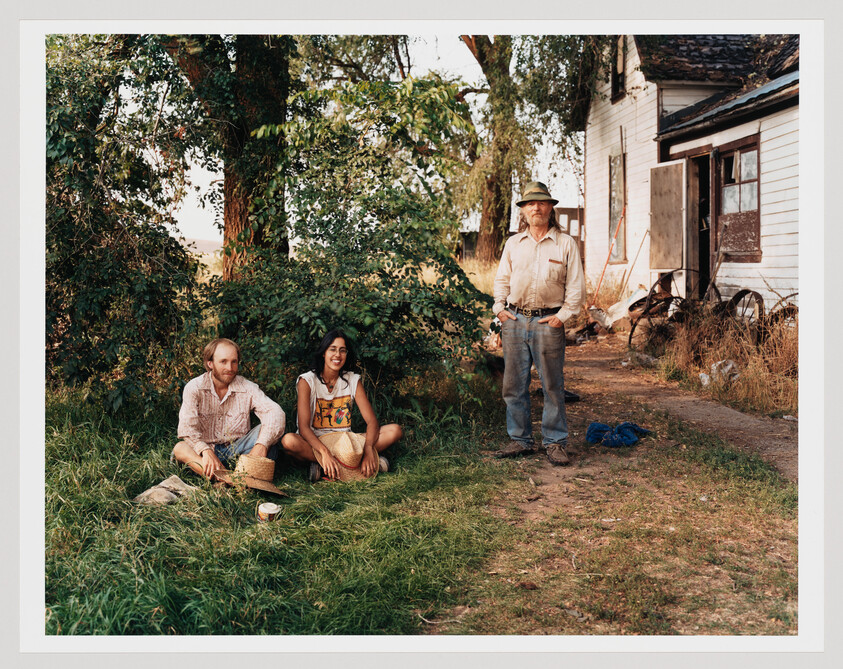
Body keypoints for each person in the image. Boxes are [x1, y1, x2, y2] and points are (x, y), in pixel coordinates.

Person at [492, 181, 586, 466]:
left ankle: (555, 442)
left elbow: (577, 288)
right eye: (530, 203)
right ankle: (520, 440)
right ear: (523, 210)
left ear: (550, 207)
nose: (536, 207)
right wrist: (499, 308)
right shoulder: (513, 243)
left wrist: (563, 316)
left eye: (542, 202)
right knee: (513, 384)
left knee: (552, 385)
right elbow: (502, 280)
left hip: (549, 321)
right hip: (515, 319)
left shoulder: (566, 243)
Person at [281, 329, 403, 482]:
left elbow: (372, 421)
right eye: (332, 349)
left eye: (342, 350)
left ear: (346, 355)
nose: (337, 355)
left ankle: (322, 467)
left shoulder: (352, 380)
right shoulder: (307, 381)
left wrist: (368, 449)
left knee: (394, 431)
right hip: (315, 443)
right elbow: (304, 428)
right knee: (289, 441)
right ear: (324, 353)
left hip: (346, 443)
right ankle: (359, 465)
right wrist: (324, 452)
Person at [172, 338, 286, 480]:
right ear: (210, 363)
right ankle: (233, 478)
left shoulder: (247, 387)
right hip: (205, 452)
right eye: (223, 361)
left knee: (268, 438)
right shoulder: (194, 387)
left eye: (234, 362)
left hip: (238, 449)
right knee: (180, 448)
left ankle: (222, 476)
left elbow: (275, 413)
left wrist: (261, 445)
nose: (230, 368)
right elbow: (187, 429)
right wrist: (205, 451)